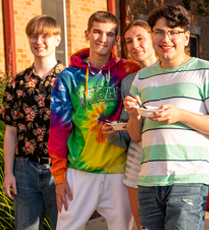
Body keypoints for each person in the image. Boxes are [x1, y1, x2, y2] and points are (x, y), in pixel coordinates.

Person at [124, 4, 209, 229]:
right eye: (159, 32)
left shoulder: (207, 70)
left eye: (174, 32)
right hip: (148, 180)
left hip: (188, 180)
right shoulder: (142, 78)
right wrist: (134, 115)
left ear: (186, 37)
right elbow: (135, 136)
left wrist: (180, 114)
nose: (166, 38)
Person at [49, 11, 140, 230]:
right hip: (80, 170)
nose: (102, 38)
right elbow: (59, 129)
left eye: (109, 34)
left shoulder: (129, 70)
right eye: (97, 32)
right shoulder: (68, 77)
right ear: (87, 34)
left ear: (116, 40)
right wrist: (59, 177)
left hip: (119, 170)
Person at [1, 15, 63, 230]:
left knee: (64, 227)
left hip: (61, 170)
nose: (39, 41)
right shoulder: (16, 82)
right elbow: (10, 131)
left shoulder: (69, 79)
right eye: (34, 36)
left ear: (57, 39)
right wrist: (9, 173)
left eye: (45, 36)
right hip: (24, 169)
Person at [101, 19, 158, 228]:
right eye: (128, 41)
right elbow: (131, 132)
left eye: (140, 38)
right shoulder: (128, 82)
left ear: (153, 38)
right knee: (143, 225)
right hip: (137, 161)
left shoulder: (174, 73)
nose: (135, 45)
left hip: (167, 160)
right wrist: (114, 133)